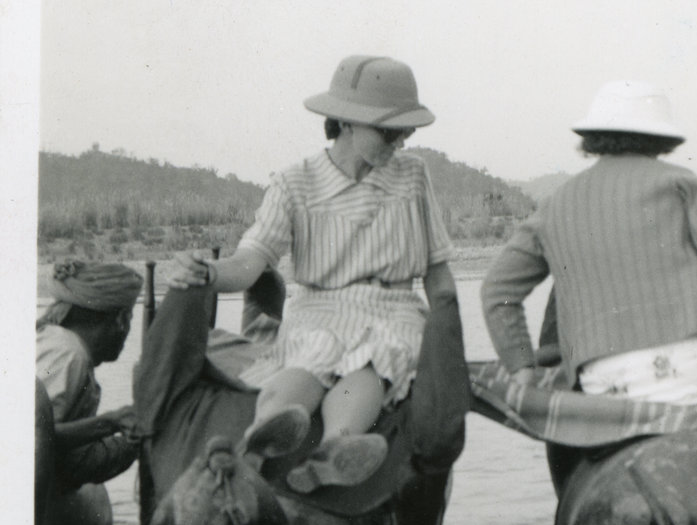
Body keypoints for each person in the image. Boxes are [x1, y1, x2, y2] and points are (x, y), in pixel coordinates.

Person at [168, 54, 457, 492]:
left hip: (393, 309)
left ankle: (334, 450)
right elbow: (252, 262)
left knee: (374, 359)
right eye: (390, 130)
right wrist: (209, 273)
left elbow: (437, 269)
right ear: (345, 123)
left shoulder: (413, 175)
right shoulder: (294, 183)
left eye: (406, 131)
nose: (401, 141)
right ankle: (262, 436)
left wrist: (448, 335)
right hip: (319, 307)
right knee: (311, 354)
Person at [480, 79, 697, 416]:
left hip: (605, 384)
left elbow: (496, 290)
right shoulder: (684, 185)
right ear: (661, 136)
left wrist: (521, 366)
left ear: (594, 137)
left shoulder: (554, 205)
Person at [36, 259, 143, 490]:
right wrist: (112, 422)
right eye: (130, 318)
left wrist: (132, 437)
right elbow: (32, 438)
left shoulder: (54, 340)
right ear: (120, 320)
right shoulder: (68, 353)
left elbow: (71, 455)